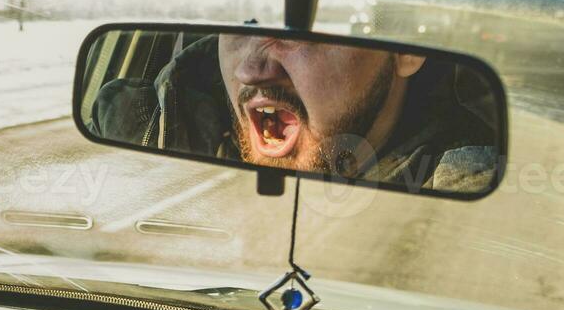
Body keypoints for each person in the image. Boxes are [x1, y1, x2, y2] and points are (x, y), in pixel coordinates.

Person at [92, 30, 500, 194]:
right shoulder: (137, 125)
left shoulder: (461, 182)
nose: (249, 69)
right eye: (238, 24)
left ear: (405, 50)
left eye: (301, 33)